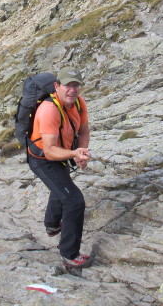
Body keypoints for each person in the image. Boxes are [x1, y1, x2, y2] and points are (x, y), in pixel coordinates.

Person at [26, 66, 92, 268]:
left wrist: (81, 152)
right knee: (74, 200)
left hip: (61, 153)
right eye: (67, 86)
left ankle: (52, 225)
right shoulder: (49, 110)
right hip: (42, 159)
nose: (72, 90)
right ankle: (69, 254)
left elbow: (83, 130)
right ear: (57, 86)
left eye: (76, 85)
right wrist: (73, 154)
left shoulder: (79, 103)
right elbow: (49, 151)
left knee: (62, 187)